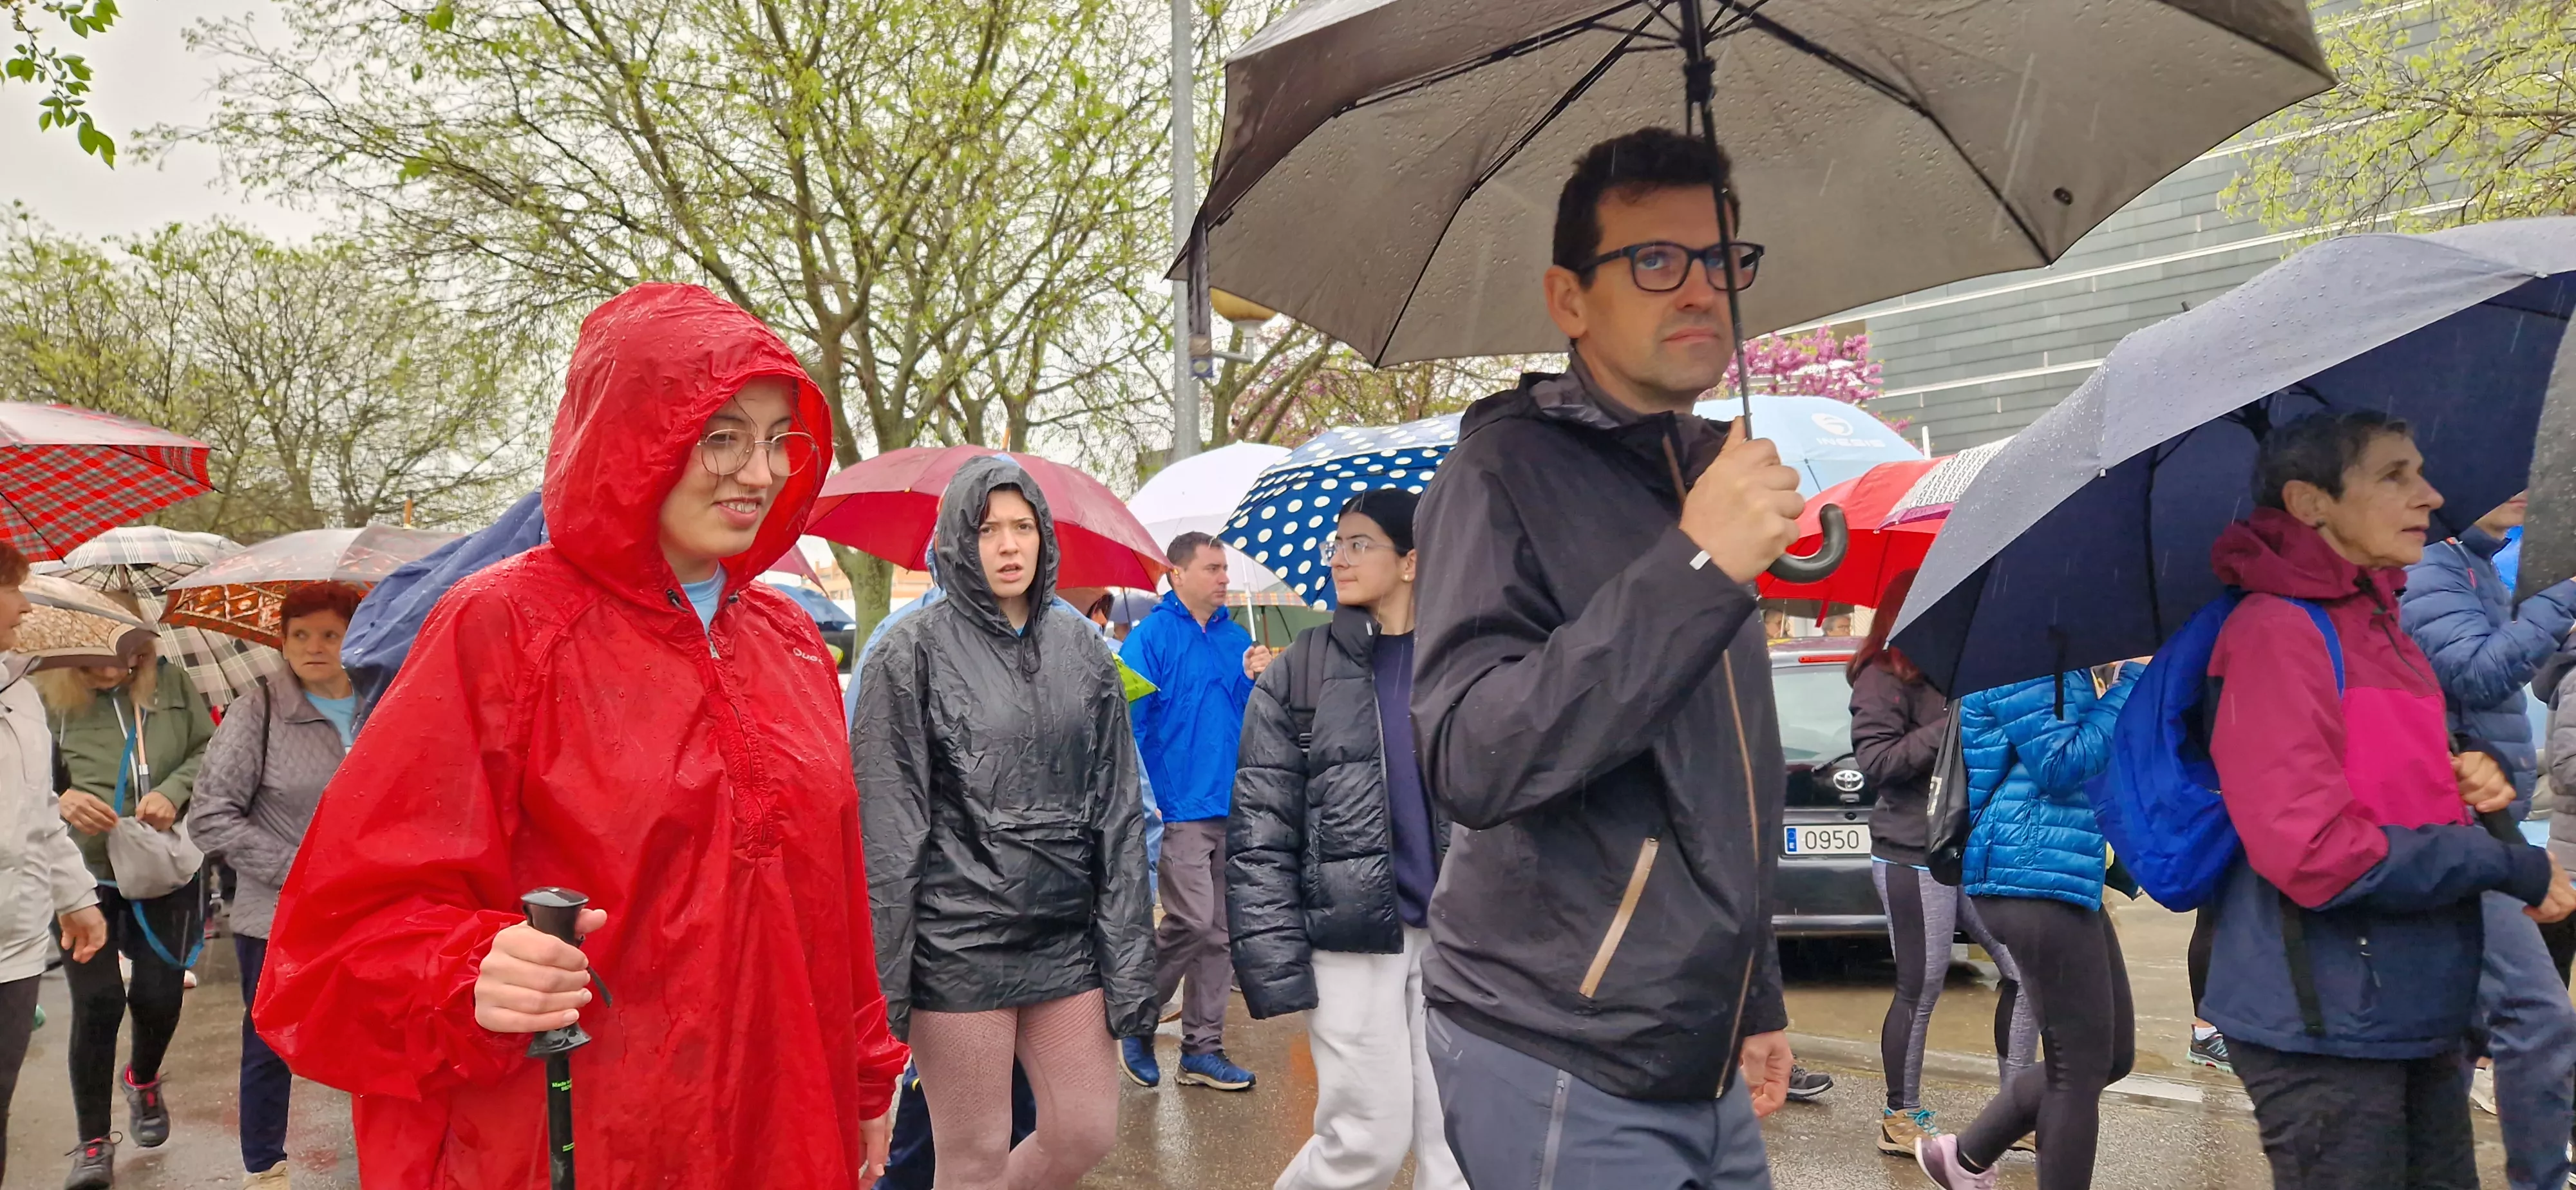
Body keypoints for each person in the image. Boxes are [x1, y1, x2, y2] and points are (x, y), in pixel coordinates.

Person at [251, 283, 909, 1187]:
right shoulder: (503, 627)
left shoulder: (789, 639)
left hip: (780, 1121)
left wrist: (865, 1074)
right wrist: (467, 970)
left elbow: (831, 893)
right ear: (635, 435)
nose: (759, 473)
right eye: (721, 435)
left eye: (776, 439)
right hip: (585, 1136)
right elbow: (341, 933)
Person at [1408, 126, 1806, 1188]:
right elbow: (1471, 756)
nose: (1702, 289)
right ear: (1570, 300)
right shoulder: (1500, 473)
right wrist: (1696, 567)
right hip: (1562, 1047)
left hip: (1702, 1047)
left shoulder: (1710, 476)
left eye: (1721, 259)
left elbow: (1724, 779)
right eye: (1657, 260)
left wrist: (1755, 995)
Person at [2180, 411, 2571, 1190]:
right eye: (2394, 475)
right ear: (2310, 502)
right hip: (2322, 1018)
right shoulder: (2275, 631)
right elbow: (2314, 850)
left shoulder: (2378, 619)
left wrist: (2458, 774)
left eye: (2419, 471)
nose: (2430, 495)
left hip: (2409, 1001)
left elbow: (2376, 775)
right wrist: (2504, 864)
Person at [858, 457, 1155, 1190]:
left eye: (1023, 526)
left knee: (1084, 1129)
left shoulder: (1083, 650)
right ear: (958, 539)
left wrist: (1127, 954)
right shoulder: (909, 650)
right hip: (956, 946)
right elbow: (888, 826)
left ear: (1045, 535)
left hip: (1065, 941)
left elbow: (1117, 807)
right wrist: (885, 987)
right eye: (987, 529)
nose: (1008, 545)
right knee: (974, 1157)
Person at [1227, 488, 1465, 1190]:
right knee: (1366, 1140)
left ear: (1412, 561)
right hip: (1350, 937)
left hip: (1461, 938)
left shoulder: (1467, 660)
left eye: (1360, 543)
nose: (1339, 558)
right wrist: (1272, 957)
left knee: (1460, 1147)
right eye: (1337, 544)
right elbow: (1261, 827)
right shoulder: (1300, 671)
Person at [2399, 489, 2576, 1190]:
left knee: (2453, 1035)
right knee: (2538, 1016)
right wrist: (2563, 593)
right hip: (2459, 828)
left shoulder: (2474, 565)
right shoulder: (2429, 566)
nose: (2521, 485)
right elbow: (2478, 671)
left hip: (2483, 825)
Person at [1913, 663, 2139, 1190]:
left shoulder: (2060, 663)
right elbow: (2060, 765)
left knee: (2111, 1055)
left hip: (2059, 870)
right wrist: (2131, 684)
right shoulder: (2026, 662)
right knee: (2076, 1068)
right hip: (2029, 870)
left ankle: (1963, 1156)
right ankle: (1967, 1156)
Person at [1846, 569, 2036, 1157]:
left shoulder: (1961, 670)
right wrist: (1953, 721)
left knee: (2025, 973)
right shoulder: (1881, 677)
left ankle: (2016, 1111)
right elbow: (1879, 763)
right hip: (1911, 853)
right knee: (1922, 985)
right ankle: (1899, 1117)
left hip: (1969, 849)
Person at [185, 581, 366, 1189]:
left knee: (378, 1034)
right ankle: (265, 1167)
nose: (315, 647)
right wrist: (304, 873)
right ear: (282, 642)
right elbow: (211, 816)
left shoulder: (385, 704)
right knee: (270, 1041)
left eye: (331, 634)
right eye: (300, 635)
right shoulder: (257, 711)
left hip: (372, 909)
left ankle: (387, 1154)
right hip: (279, 915)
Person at [39, 618, 217, 1190]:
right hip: (80, 873)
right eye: (97, 662)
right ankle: (93, 1142)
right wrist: (60, 799)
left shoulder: (171, 682)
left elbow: (207, 747)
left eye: (127, 658)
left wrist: (173, 790)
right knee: (97, 1003)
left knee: (160, 995)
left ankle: (142, 1078)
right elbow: (16, 779)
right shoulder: (37, 693)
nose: (114, 671)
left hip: (163, 864)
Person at [1119, 531, 1259, 1091]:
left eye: (1225, 568)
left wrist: (1258, 681)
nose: (1224, 577)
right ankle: (1136, 1016)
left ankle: (1202, 1050)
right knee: (1193, 920)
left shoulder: (1238, 640)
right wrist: (1144, 802)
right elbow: (1128, 725)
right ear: (1177, 574)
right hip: (1177, 808)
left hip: (1233, 803)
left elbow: (1250, 721)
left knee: (1221, 934)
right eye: (1212, 568)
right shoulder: (1149, 640)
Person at [0, 547, 109, 1187]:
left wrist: (75, 896)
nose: (26, 606)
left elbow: (39, 808)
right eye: (12, 588)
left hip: (14, 944)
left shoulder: (20, 691)